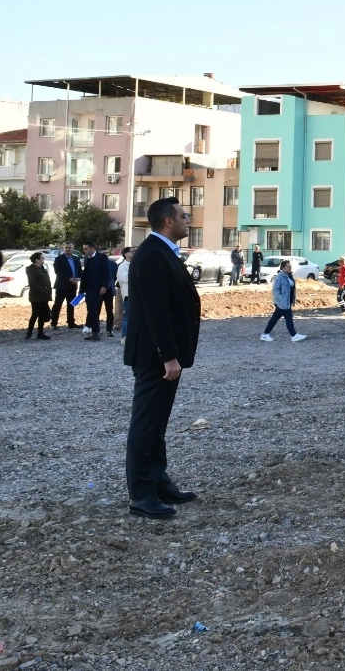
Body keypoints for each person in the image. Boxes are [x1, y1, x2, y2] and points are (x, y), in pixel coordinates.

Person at [123, 198, 201, 520]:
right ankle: (141, 494)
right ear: (169, 221)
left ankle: (158, 481)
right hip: (156, 357)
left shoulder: (162, 252)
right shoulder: (153, 255)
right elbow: (156, 312)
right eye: (184, 216)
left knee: (156, 424)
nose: (188, 220)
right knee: (145, 424)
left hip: (163, 356)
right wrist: (168, 356)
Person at [260, 260, 306, 343]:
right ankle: (294, 335)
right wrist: (281, 300)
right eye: (288, 267)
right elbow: (275, 290)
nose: (290, 268)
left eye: (290, 266)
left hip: (286, 302)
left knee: (274, 318)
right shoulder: (279, 277)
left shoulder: (289, 275)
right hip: (283, 302)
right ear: (283, 267)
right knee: (289, 318)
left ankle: (265, 334)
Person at [80, 239, 117, 341]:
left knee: (94, 308)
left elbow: (107, 273)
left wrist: (104, 286)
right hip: (89, 288)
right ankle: (94, 331)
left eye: (86, 248)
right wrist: (82, 289)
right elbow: (86, 274)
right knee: (91, 309)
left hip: (99, 288)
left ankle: (97, 331)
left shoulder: (101, 257)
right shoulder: (87, 258)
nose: (85, 251)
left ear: (92, 248)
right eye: (83, 249)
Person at [52, 242, 81, 330]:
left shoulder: (76, 259)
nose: (68, 249)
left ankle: (71, 322)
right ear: (63, 248)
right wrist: (69, 279)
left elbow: (79, 271)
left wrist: (78, 278)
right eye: (66, 247)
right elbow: (58, 272)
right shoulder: (59, 259)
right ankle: (54, 323)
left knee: (71, 304)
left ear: (73, 248)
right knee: (58, 305)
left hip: (72, 286)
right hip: (62, 285)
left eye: (70, 247)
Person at [25, 252, 52, 339]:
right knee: (35, 314)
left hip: (44, 296)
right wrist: (43, 290)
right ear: (37, 260)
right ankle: (29, 332)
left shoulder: (43, 268)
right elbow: (32, 282)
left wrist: (48, 291)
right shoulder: (31, 269)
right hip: (36, 296)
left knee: (43, 315)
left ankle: (40, 333)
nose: (43, 259)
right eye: (42, 258)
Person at [116, 246, 134, 341]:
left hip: (136, 294)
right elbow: (125, 278)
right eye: (131, 251)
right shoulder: (122, 266)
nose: (133, 253)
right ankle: (125, 336)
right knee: (127, 315)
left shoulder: (135, 264)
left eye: (133, 251)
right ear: (125, 254)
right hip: (128, 294)